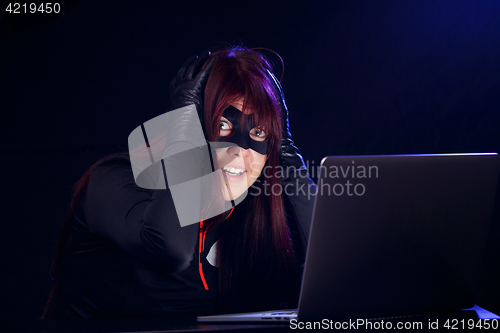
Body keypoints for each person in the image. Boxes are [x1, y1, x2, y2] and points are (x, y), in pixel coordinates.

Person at [42, 46, 316, 318]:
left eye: (258, 131)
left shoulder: (251, 209)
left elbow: (338, 264)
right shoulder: (113, 181)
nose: (240, 152)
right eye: (222, 125)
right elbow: (171, 248)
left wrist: (288, 155)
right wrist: (184, 128)